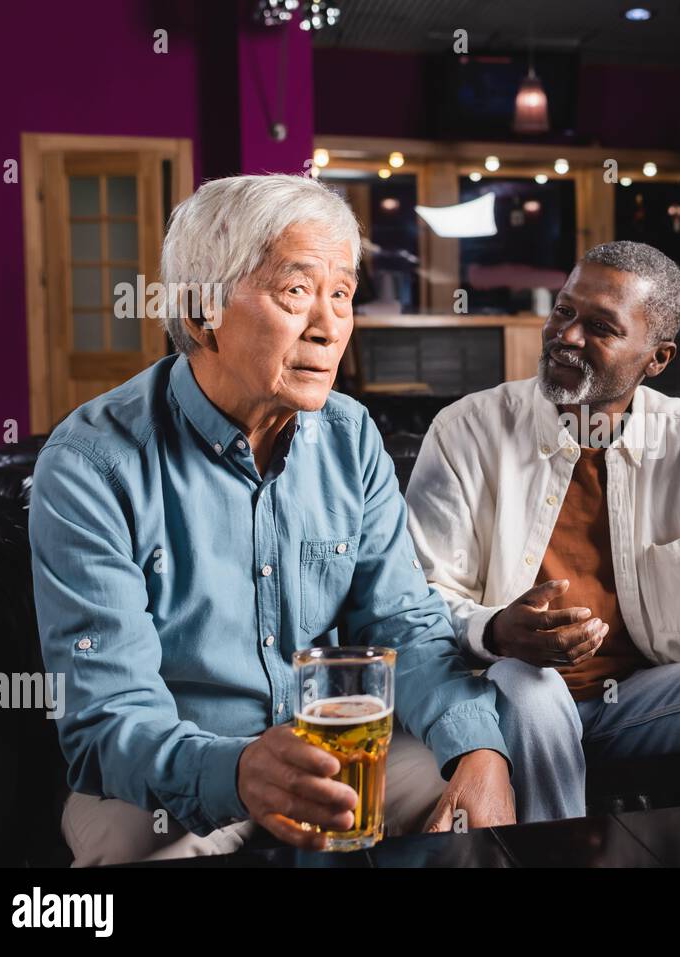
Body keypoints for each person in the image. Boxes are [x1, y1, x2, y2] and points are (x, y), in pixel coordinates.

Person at [29, 174, 514, 865]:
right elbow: (109, 717)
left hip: (333, 755)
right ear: (201, 313)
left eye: (341, 294)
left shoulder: (351, 437)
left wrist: (479, 747)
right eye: (296, 292)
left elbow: (405, 624)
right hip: (167, 780)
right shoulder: (90, 463)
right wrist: (236, 771)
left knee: (486, 821)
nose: (328, 325)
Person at [404, 241, 680, 821]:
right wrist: (496, 630)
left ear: (658, 358)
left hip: (644, 699)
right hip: (518, 697)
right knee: (530, 684)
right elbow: (417, 597)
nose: (567, 336)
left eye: (600, 327)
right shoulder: (467, 430)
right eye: (564, 311)